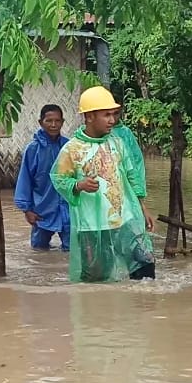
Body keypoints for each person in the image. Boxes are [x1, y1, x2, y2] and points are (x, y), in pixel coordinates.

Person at [51, 86, 156, 282]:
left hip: (124, 218)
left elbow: (132, 175)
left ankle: (143, 301)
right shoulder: (72, 149)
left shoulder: (117, 143)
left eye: (114, 114)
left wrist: (142, 207)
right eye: (106, 115)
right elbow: (59, 179)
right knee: (97, 278)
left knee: (144, 264)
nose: (112, 120)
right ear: (90, 116)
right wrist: (79, 185)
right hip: (92, 225)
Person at [14, 104, 70, 251]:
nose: (53, 125)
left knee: (71, 250)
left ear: (62, 122)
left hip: (67, 210)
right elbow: (25, 180)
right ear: (41, 122)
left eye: (57, 121)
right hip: (42, 211)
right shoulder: (33, 149)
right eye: (49, 121)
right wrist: (27, 210)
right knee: (38, 250)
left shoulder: (69, 147)